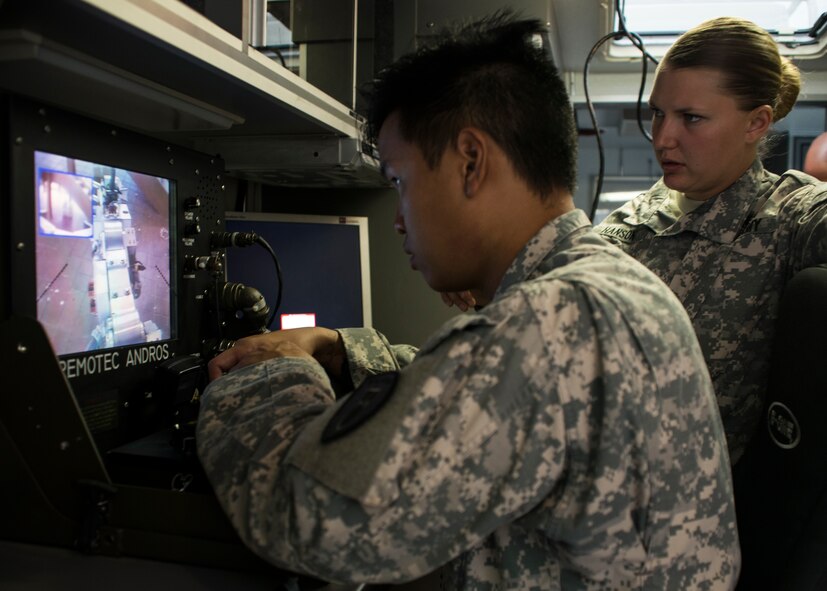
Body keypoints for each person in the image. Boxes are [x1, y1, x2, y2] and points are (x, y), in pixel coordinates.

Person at [196, 12, 739, 589]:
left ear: (471, 162)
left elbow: (303, 517)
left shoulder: (548, 325)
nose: (399, 220)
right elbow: (483, 399)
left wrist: (273, 371)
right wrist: (340, 351)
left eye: (401, 181)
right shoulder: (607, 285)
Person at [594, 16, 827, 466]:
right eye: (658, 112)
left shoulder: (786, 215)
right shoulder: (634, 217)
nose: (662, 138)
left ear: (756, 123)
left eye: (691, 118)